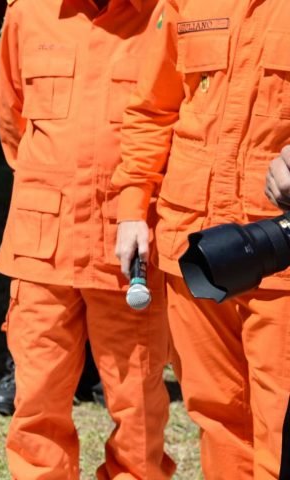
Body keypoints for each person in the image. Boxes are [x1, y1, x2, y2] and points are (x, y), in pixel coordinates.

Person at [0, 0, 175, 477]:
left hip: (128, 243)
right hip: (41, 248)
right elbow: (13, 122)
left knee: (137, 405)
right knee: (36, 402)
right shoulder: (27, 14)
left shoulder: (162, 13)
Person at [115, 0, 290, 477]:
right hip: (195, 246)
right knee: (216, 414)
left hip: (281, 252)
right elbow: (152, 108)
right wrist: (132, 206)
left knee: (282, 421)